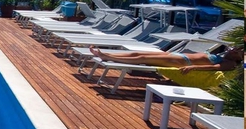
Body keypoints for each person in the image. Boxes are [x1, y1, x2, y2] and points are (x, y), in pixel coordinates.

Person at [89, 46, 243, 74]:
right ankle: (107, 55)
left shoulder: (229, 63)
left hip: (182, 63)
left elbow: (214, 68)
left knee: (142, 58)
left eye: (238, 51)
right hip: (177, 55)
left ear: (239, 57)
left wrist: (193, 68)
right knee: (136, 52)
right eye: (234, 47)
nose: (233, 49)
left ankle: (107, 57)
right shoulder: (222, 54)